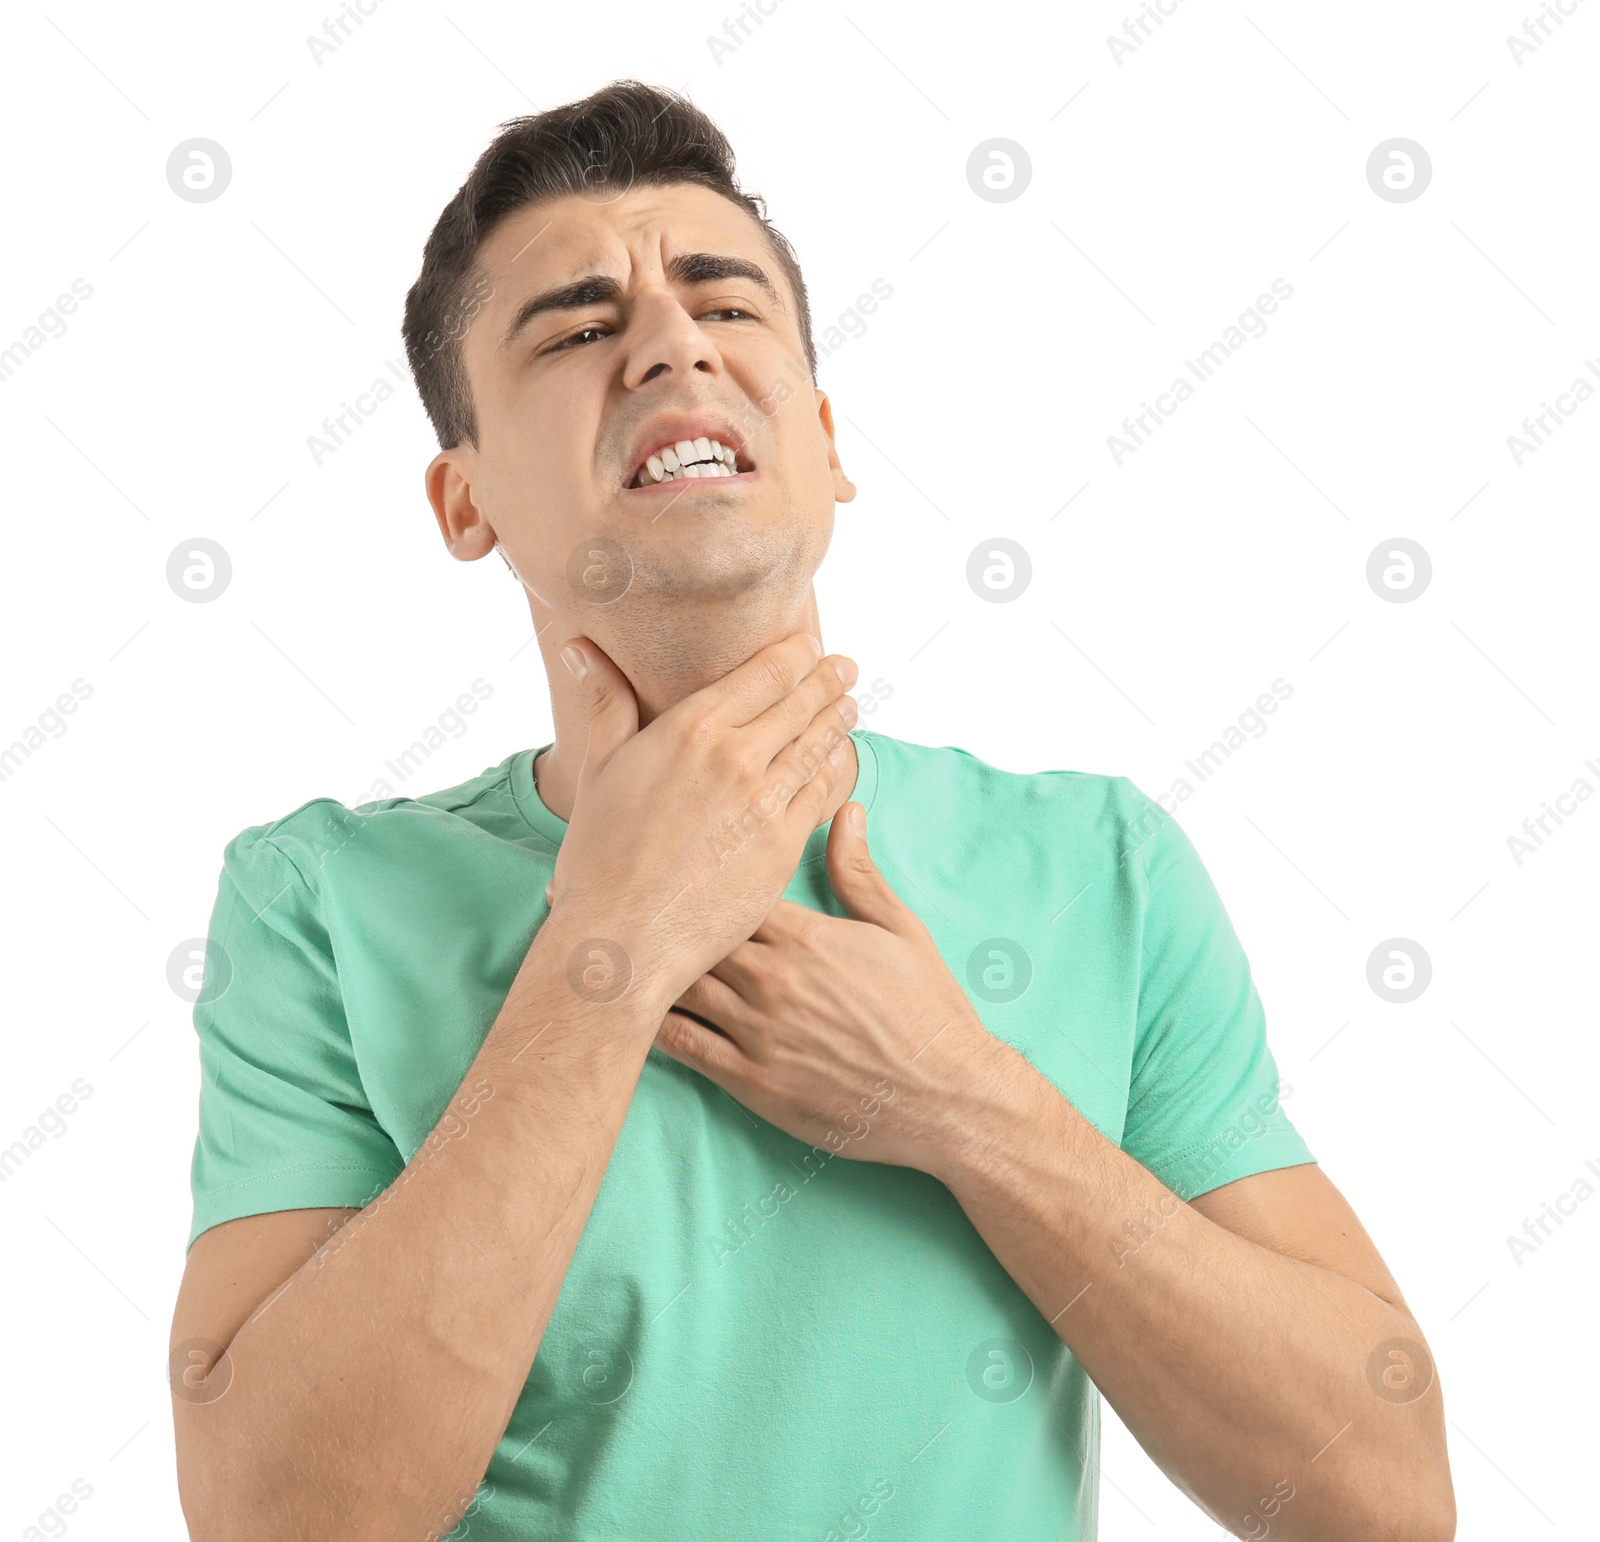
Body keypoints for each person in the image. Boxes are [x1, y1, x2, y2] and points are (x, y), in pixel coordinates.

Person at [168, 79, 1455, 1542]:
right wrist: (610, 949)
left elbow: (1385, 1495)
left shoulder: (1102, 870)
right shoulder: (322, 900)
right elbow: (274, 1517)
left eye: (724, 305)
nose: (670, 342)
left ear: (828, 440)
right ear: (464, 503)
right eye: (581, 328)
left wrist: (966, 1103)